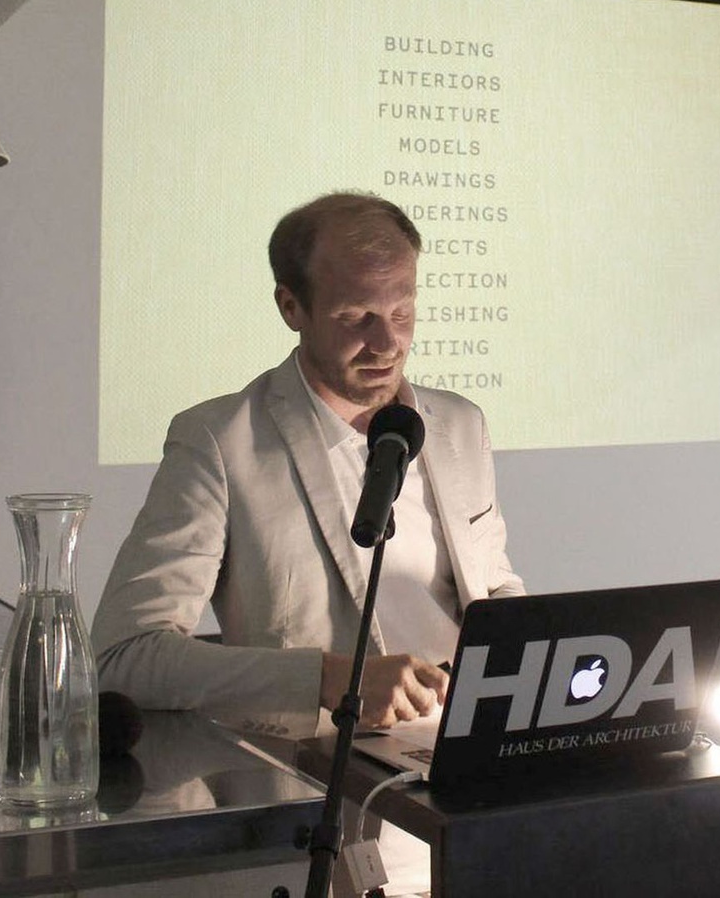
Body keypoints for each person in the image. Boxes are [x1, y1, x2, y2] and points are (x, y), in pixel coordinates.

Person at [92, 191, 524, 742]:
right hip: (316, 765)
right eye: (356, 318)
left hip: (465, 745)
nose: (387, 343)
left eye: (402, 312)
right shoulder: (220, 443)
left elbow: (491, 585)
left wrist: (531, 644)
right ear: (291, 307)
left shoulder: (461, 424)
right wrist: (326, 680)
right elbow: (124, 657)